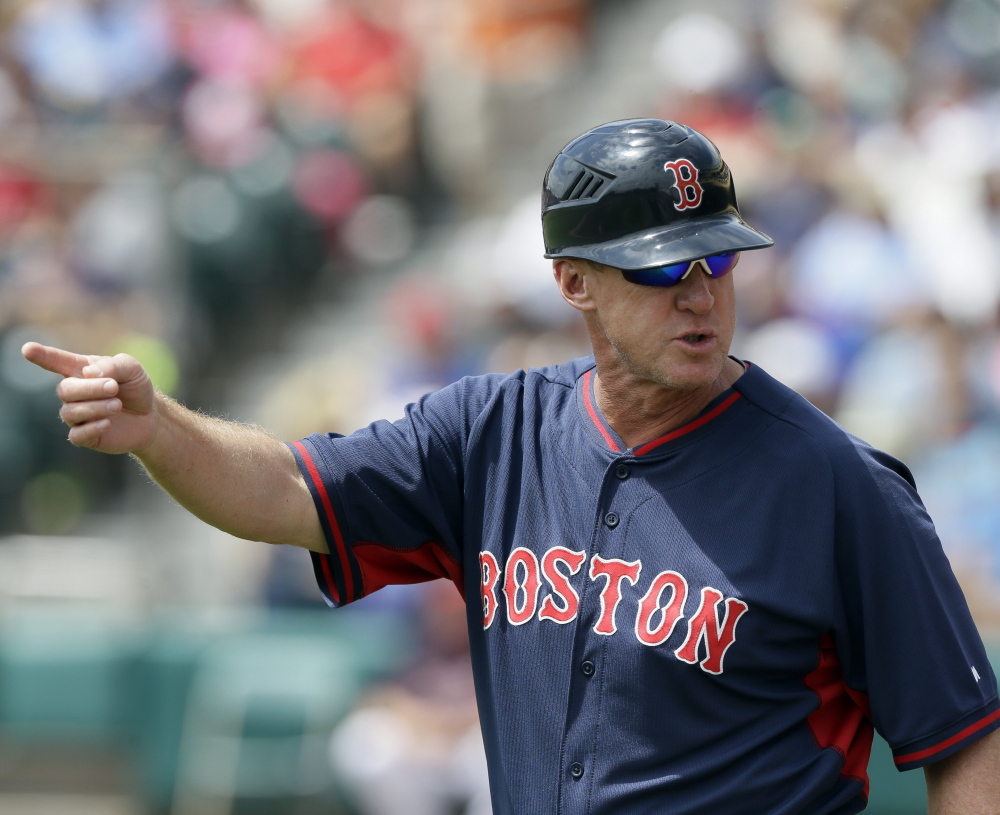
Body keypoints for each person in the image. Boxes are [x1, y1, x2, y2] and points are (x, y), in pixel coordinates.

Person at [23, 118, 1000, 814]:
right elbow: (286, 489)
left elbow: (963, 738)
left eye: (717, 260)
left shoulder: (838, 483)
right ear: (572, 280)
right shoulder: (488, 430)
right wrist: (159, 430)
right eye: (661, 267)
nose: (698, 293)